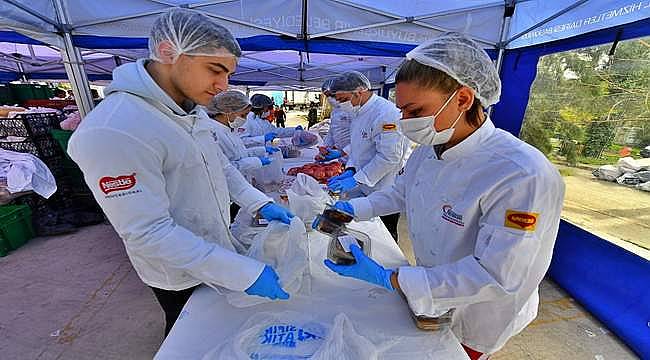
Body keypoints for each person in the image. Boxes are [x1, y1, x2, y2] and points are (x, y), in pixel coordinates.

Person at [323, 33, 565, 359]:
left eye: (414, 110)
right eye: (402, 111)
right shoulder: (429, 148)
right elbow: (401, 192)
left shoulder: (522, 174)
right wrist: (352, 208)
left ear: (463, 99)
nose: (405, 122)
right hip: (430, 289)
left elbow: (497, 275)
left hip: (479, 314)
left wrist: (391, 278)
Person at [67, 8, 294, 337]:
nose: (222, 85)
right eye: (215, 69)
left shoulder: (189, 111)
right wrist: (242, 272)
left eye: (228, 73)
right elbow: (148, 232)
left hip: (215, 247)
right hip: (177, 271)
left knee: (222, 330)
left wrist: (257, 202)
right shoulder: (115, 129)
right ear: (168, 52)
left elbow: (220, 166)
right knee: (188, 336)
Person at [326, 71, 410, 242]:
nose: (341, 104)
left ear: (359, 92)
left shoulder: (386, 114)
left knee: (385, 239)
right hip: (364, 184)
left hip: (385, 188)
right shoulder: (358, 111)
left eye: (343, 99)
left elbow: (389, 157)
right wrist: (350, 169)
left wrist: (357, 179)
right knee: (365, 234)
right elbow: (359, 147)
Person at [205, 90, 281, 220]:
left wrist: (262, 151)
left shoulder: (229, 129)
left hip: (241, 186)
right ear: (228, 112)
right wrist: (257, 161)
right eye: (243, 115)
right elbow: (225, 167)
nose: (245, 119)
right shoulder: (212, 132)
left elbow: (240, 153)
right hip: (228, 193)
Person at [320, 78, 352, 162]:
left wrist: (343, 152)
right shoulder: (334, 111)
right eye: (327, 96)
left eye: (332, 95)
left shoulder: (352, 109)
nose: (329, 99)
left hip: (354, 154)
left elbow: (360, 138)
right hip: (340, 156)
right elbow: (332, 131)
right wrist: (325, 147)